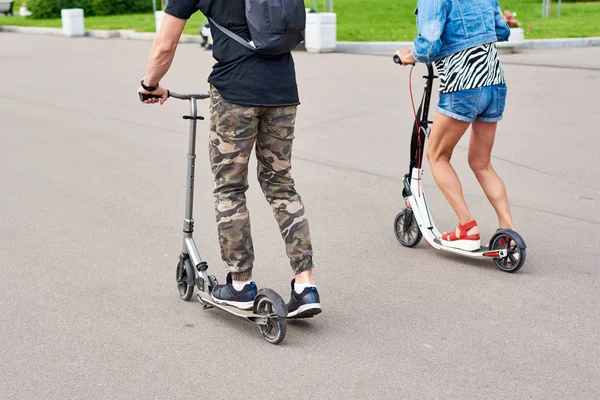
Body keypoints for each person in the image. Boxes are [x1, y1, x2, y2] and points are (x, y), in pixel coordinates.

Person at [137, 0, 321, 318]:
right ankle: (306, 286)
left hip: (235, 93)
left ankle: (240, 284)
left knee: (230, 189)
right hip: (282, 90)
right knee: (281, 186)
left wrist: (149, 84)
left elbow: (164, 46)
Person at [394, 0, 515, 252]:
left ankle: (467, 227)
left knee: (437, 155)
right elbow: (502, 31)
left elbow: (428, 46)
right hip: (494, 81)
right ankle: (508, 233)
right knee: (482, 163)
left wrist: (409, 55)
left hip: (463, 85)